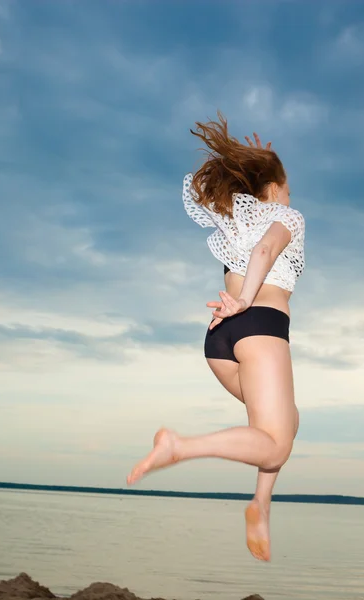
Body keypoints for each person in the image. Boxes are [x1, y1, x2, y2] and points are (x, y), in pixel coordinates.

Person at [126, 112, 305, 562]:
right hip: (258, 325)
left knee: (285, 422)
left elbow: (252, 241)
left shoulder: (234, 222)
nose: (291, 194)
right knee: (275, 441)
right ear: (274, 189)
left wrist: (263, 158)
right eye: (287, 186)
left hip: (220, 341)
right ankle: (180, 447)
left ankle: (261, 504)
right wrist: (246, 299)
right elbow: (266, 251)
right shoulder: (286, 216)